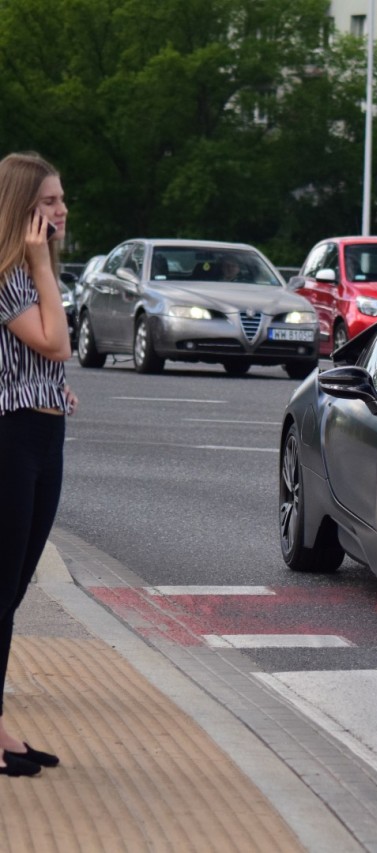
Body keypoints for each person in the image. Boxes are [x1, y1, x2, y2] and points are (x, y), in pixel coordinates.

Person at [0, 152, 76, 778]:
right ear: (22, 207)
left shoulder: (25, 272)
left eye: (61, 199)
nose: (60, 210)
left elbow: (45, 358)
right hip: (10, 440)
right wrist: (40, 259)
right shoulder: (10, 273)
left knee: (11, 592)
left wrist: (52, 387)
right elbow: (56, 341)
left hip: (41, 435)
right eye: (48, 201)